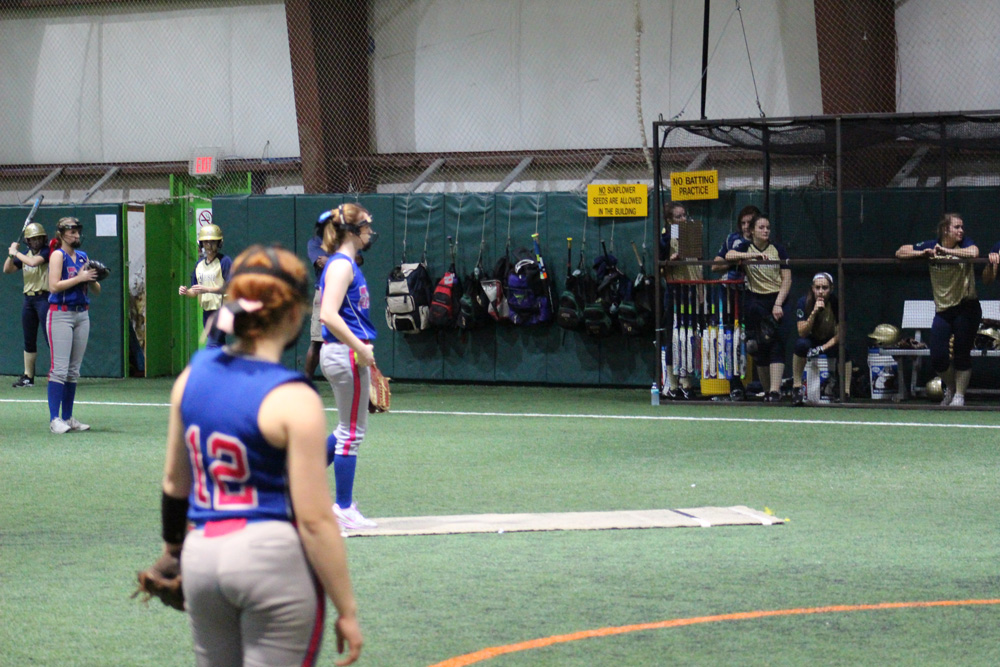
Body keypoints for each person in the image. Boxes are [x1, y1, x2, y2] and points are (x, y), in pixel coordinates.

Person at [159, 244, 363, 665]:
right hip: (268, 556)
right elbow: (314, 518)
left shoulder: (190, 377)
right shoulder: (294, 397)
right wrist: (348, 608)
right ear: (294, 314)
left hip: (201, 557)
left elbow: (174, 485)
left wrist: (172, 553)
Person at [318, 203, 379, 530]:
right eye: (366, 226)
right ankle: (342, 507)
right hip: (346, 353)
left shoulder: (344, 264)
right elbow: (328, 314)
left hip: (344, 353)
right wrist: (361, 349)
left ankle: (298, 479)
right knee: (351, 434)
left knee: (346, 430)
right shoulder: (342, 265)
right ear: (352, 231)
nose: (370, 232)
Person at [897, 213, 980, 407]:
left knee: (962, 353)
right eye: (956, 227)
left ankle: (959, 396)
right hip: (943, 311)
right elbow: (900, 251)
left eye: (962, 227)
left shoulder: (965, 244)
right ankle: (951, 387)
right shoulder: (931, 245)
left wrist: (945, 251)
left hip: (966, 307)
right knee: (938, 356)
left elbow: (974, 253)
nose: (961, 231)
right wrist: (924, 253)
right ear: (945, 229)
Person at [726, 216, 791, 402]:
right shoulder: (745, 248)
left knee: (777, 342)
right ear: (752, 231)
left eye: (768, 228)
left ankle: (775, 391)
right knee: (760, 346)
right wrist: (750, 256)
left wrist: (778, 303)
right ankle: (766, 390)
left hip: (777, 299)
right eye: (761, 227)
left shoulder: (778, 249)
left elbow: (787, 278)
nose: (766, 231)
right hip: (755, 302)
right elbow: (728, 256)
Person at [47, 217, 100, 434]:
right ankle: (54, 419)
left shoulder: (82, 256)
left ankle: (68, 417)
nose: (76, 235)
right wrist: (80, 278)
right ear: (61, 234)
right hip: (60, 314)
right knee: (59, 369)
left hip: (81, 314)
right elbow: (54, 286)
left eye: (78, 231)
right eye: (72, 232)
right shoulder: (58, 255)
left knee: (73, 371)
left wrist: (95, 278)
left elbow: (96, 290)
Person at [711, 204, 760, 399]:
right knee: (729, 337)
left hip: (754, 293)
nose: (747, 226)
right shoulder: (733, 239)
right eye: (743, 223)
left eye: (751, 223)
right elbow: (716, 265)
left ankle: (759, 383)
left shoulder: (763, 241)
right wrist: (737, 259)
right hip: (729, 293)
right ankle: (735, 384)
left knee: (754, 338)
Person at [659, 201, 702, 400]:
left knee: (690, 336)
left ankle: (687, 383)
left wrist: (700, 290)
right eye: (678, 217)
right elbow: (659, 268)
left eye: (684, 215)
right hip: (675, 291)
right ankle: (672, 385)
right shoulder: (664, 239)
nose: (683, 219)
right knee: (673, 338)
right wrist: (669, 262)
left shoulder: (692, 234)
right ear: (669, 220)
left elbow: (697, 266)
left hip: (691, 291)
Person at [5, 222, 51, 387]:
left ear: (43, 239)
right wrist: (11, 255)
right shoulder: (25, 254)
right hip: (29, 300)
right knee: (29, 339)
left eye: (39, 238)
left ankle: (60, 373)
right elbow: (7, 270)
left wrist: (16, 252)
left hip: (44, 299)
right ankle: (28, 377)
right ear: (28, 241)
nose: (36, 242)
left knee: (50, 338)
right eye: (32, 239)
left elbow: (33, 262)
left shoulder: (47, 252)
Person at [178, 224, 231, 348]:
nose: (209, 246)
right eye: (206, 242)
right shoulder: (199, 265)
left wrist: (207, 289)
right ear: (201, 244)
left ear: (219, 243)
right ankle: (229, 365)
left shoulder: (224, 261)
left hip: (221, 310)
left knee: (212, 344)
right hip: (206, 311)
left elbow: (230, 287)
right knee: (218, 345)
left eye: (213, 242)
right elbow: (195, 291)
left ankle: (212, 366)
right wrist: (186, 291)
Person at [791, 272, 839, 406]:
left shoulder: (836, 303)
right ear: (812, 288)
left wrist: (822, 348)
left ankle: (842, 391)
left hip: (829, 340)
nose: (821, 291)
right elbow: (802, 332)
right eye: (817, 288)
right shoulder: (803, 302)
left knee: (843, 350)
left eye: (825, 288)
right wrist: (814, 312)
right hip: (811, 338)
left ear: (831, 288)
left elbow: (841, 334)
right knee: (800, 345)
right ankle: (797, 388)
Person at [305, 211, 336, 379]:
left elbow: (357, 260)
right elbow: (320, 262)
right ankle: (306, 381)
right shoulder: (314, 243)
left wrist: (331, 259)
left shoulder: (342, 242)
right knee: (317, 342)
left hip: (344, 295)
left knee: (351, 339)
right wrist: (340, 259)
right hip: (323, 294)